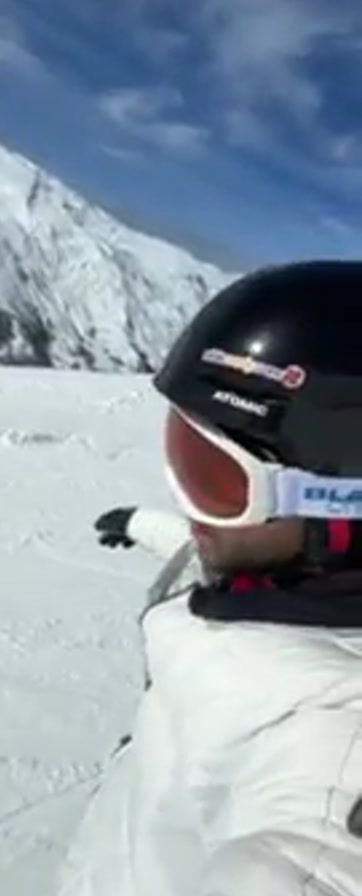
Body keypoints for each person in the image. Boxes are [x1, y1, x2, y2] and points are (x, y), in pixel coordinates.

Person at [57, 261, 362, 896]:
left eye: (216, 479)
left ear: (340, 509)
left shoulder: (329, 759)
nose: (194, 514)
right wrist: (148, 525)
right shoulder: (277, 580)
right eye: (184, 454)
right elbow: (225, 550)